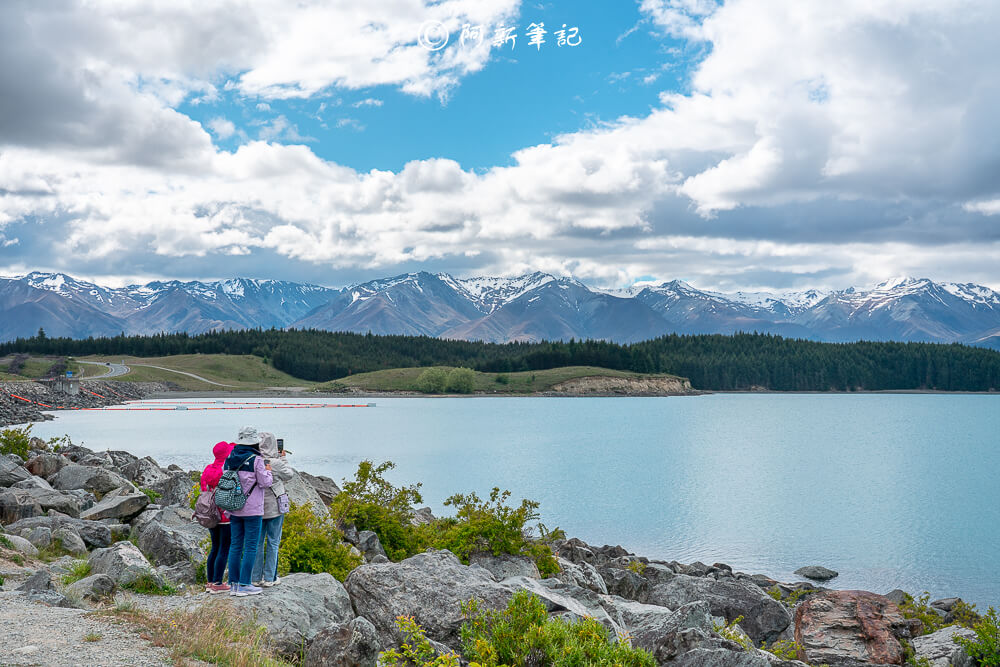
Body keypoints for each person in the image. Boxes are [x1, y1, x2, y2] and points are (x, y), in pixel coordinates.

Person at [225, 426, 272, 597]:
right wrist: (269, 471)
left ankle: (233, 585)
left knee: (235, 546)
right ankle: (245, 583)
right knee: (251, 546)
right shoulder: (256, 459)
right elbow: (265, 482)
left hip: (234, 507)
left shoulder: (230, 457)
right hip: (252, 509)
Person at [251, 433, 293, 587]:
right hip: (275, 507)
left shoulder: (254, 461)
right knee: (273, 542)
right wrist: (282, 458)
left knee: (257, 543)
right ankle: (270, 578)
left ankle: (255, 577)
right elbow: (289, 475)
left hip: (257, 507)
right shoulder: (276, 463)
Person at [200, 440, 234, 594]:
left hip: (210, 514)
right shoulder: (226, 469)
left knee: (215, 547)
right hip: (225, 515)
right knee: (224, 548)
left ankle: (210, 581)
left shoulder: (208, 469)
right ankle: (218, 583)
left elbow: (203, 488)